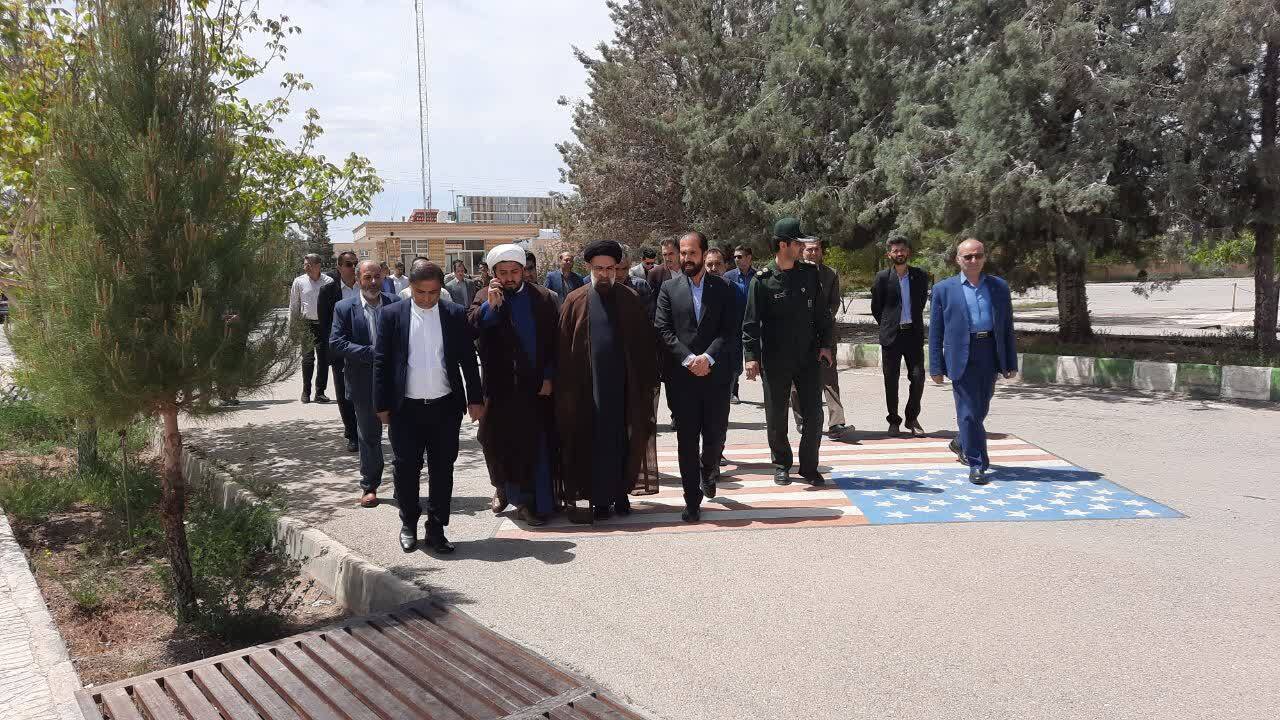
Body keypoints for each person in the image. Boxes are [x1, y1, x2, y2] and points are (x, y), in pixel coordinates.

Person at [373, 261, 483, 553]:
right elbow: (381, 362)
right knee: (406, 468)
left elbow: (468, 359)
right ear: (410, 287)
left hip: (444, 407)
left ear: (440, 289)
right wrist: (381, 404)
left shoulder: (454, 314)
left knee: (442, 469)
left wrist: (475, 399)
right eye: (420, 292)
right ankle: (408, 522)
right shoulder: (392, 315)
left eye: (433, 292)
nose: (426, 298)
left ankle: (436, 527)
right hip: (405, 409)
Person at [556, 240, 658, 520]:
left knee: (624, 439)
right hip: (588, 389)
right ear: (589, 268)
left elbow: (644, 345)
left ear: (617, 269)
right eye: (598, 269)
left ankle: (621, 493)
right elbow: (563, 349)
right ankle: (600, 499)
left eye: (609, 269)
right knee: (595, 441)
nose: (604, 274)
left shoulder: (630, 298)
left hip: (624, 387)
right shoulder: (574, 300)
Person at [468, 244, 559, 526]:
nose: (509, 278)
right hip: (500, 387)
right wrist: (490, 306)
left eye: (514, 272)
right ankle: (506, 491)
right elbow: (470, 328)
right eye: (503, 272)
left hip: (534, 386)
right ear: (493, 272)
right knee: (496, 441)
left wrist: (548, 376)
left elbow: (553, 341)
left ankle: (530, 502)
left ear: (523, 271)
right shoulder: (484, 296)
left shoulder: (543, 297)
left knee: (532, 445)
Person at [741, 218, 834, 486]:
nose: (802, 247)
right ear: (783, 245)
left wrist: (826, 345)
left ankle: (809, 466)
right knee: (776, 415)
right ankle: (782, 463)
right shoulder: (762, 281)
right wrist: (751, 357)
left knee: (814, 414)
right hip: (775, 359)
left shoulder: (809, 274)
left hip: (807, 357)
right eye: (797, 243)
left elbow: (822, 315)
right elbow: (750, 323)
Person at [655, 232, 738, 522]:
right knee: (687, 441)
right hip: (682, 379)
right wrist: (690, 359)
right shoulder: (669, 288)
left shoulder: (724, 288)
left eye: (692, 253)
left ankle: (708, 470)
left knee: (714, 437)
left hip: (716, 377)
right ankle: (692, 499)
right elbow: (663, 329)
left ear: (703, 253)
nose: (686, 258)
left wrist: (708, 358)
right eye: (683, 253)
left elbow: (730, 330)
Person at [929, 238, 1017, 484]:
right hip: (960, 355)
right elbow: (935, 331)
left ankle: (961, 441)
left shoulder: (999, 287)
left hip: (989, 351)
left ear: (984, 258)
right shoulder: (943, 289)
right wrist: (935, 366)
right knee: (968, 413)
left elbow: (1007, 327)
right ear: (958, 259)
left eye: (978, 255)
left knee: (980, 408)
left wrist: (1010, 362)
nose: (973, 260)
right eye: (968, 256)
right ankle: (977, 463)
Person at [329, 261, 399, 506]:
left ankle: (402, 485)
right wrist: (372, 352)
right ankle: (370, 486)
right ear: (358, 279)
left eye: (377, 276)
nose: (373, 282)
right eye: (367, 277)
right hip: (362, 381)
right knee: (369, 436)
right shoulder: (343, 308)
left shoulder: (396, 303)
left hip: (395, 382)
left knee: (401, 436)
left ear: (383, 277)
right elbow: (336, 342)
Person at [871, 236, 931, 436]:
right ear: (889, 254)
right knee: (891, 380)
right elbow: (876, 307)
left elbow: (920, 302)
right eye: (895, 251)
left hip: (913, 335)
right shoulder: (882, 277)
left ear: (908, 252)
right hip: (891, 336)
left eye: (902, 250)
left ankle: (911, 418)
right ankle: (894, 420)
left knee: (918, 377)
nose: (899, 253)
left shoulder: (920, 276)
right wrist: (888, 324)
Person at [790, 239, 849, 438]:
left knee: (830, 379)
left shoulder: (831, 274)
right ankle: (802, 420)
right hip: (799, 335)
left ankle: (836, 423)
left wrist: (820, 322)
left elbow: (834, 304)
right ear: (801, 251)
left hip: (825, 333)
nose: (813, 253)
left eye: (817, 249)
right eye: (809, 250)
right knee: (796, 382)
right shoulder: (792, 272)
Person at [318, 251, 361, 450]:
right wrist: (331, 351)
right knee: (345, 395)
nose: (353, 268)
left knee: (366, 394)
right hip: (341, 351)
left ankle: (365, 431)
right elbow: (325, 325)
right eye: (349, 264)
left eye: (355, 263)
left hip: (365, 348)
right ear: (339, 267)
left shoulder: (366, 286)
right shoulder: (328, 291)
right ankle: (352, 434)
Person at [289, 253, 335, 404]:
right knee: (308, 359)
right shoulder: (299, 281)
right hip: (306, 325)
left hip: (324, 325)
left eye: (308, 265)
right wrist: (292, 327)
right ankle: (306, 391)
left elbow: (334, 305)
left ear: (318, 266)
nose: (305, 268)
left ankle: (320, 392)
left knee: (323, 359)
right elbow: (294, 305)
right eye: (305, 265)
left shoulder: (328, 282)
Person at [722, 245, 756, 403]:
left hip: (754, 323)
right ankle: (732, 392)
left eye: (740, 256)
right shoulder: (728, 276)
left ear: (749, 257)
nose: (736, 259)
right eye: (735, 257)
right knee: (734, 359)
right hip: (735, 323)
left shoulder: (758, 276)